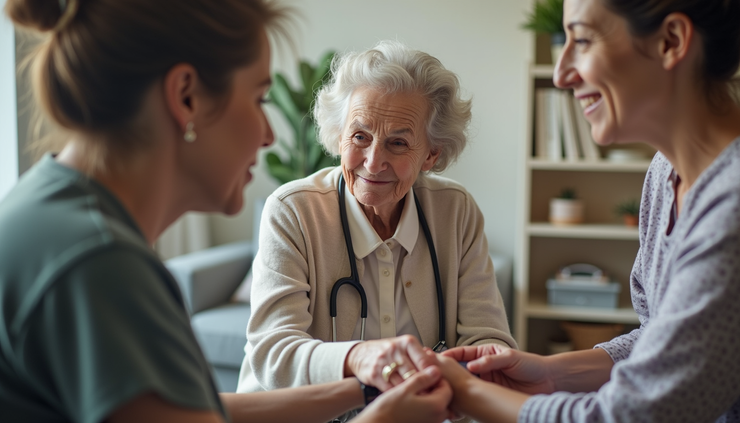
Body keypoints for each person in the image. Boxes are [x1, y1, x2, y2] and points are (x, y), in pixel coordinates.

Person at [0, 1, 454, 422]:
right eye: (258, 99)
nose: (267, 135)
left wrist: (366, 391)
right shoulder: (97, 264)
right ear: (186, 98)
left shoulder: (55, 215)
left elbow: (198, 410)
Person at [431, 0, 740, 422]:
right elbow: (663, 338)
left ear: (671, 41)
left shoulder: (731, 205)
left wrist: (465, 390)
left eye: (582, 40)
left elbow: (636, 416)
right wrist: (553, 372)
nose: (561, 73)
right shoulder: (665, 172)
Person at [237, 39, 516, 400]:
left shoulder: (456, 211)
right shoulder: (293, 211)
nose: (372, 162)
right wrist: (360, 357)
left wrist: (488, 361)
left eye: (398, 143)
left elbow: (487, 340)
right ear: (339, 138)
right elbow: (274, 356)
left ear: (430, 154)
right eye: (360, 136)